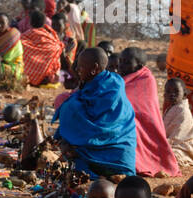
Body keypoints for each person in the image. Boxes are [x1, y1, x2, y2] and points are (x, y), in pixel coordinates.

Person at [54, 47, 137, 177]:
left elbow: (100, 127)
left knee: (69, 107)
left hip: (115, 157)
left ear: (94, 69)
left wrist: (67, 140)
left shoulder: (112, 91)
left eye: (81, 67)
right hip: (122, 159)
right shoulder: (106, 83)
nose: (76, 70)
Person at [119, 46, 180, 177]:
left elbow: (141, 107)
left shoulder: (146, 79)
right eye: (121, 61)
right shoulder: (119, 80)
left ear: (138, 66)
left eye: (127, 62)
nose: (121, 65)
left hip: (141, 126)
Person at [162, 77, 193, 168]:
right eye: (168, 91)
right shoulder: (170, 109)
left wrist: (161, 144)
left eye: (176, 91)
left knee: (168, 156)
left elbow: (177, 138)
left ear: (184, 94)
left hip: (182, 149)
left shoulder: (183, 112)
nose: (172, 94)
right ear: (164, 94)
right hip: (169, 145)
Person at [19, 8, 63, 86]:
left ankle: (30, 77)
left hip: (24, 76)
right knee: (56, 52)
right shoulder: (50, 38)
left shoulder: (23, 37)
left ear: (30, 23)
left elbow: (19, 44)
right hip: (46, 78)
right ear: (44, 23)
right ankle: (44, 77)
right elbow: (56, 48)